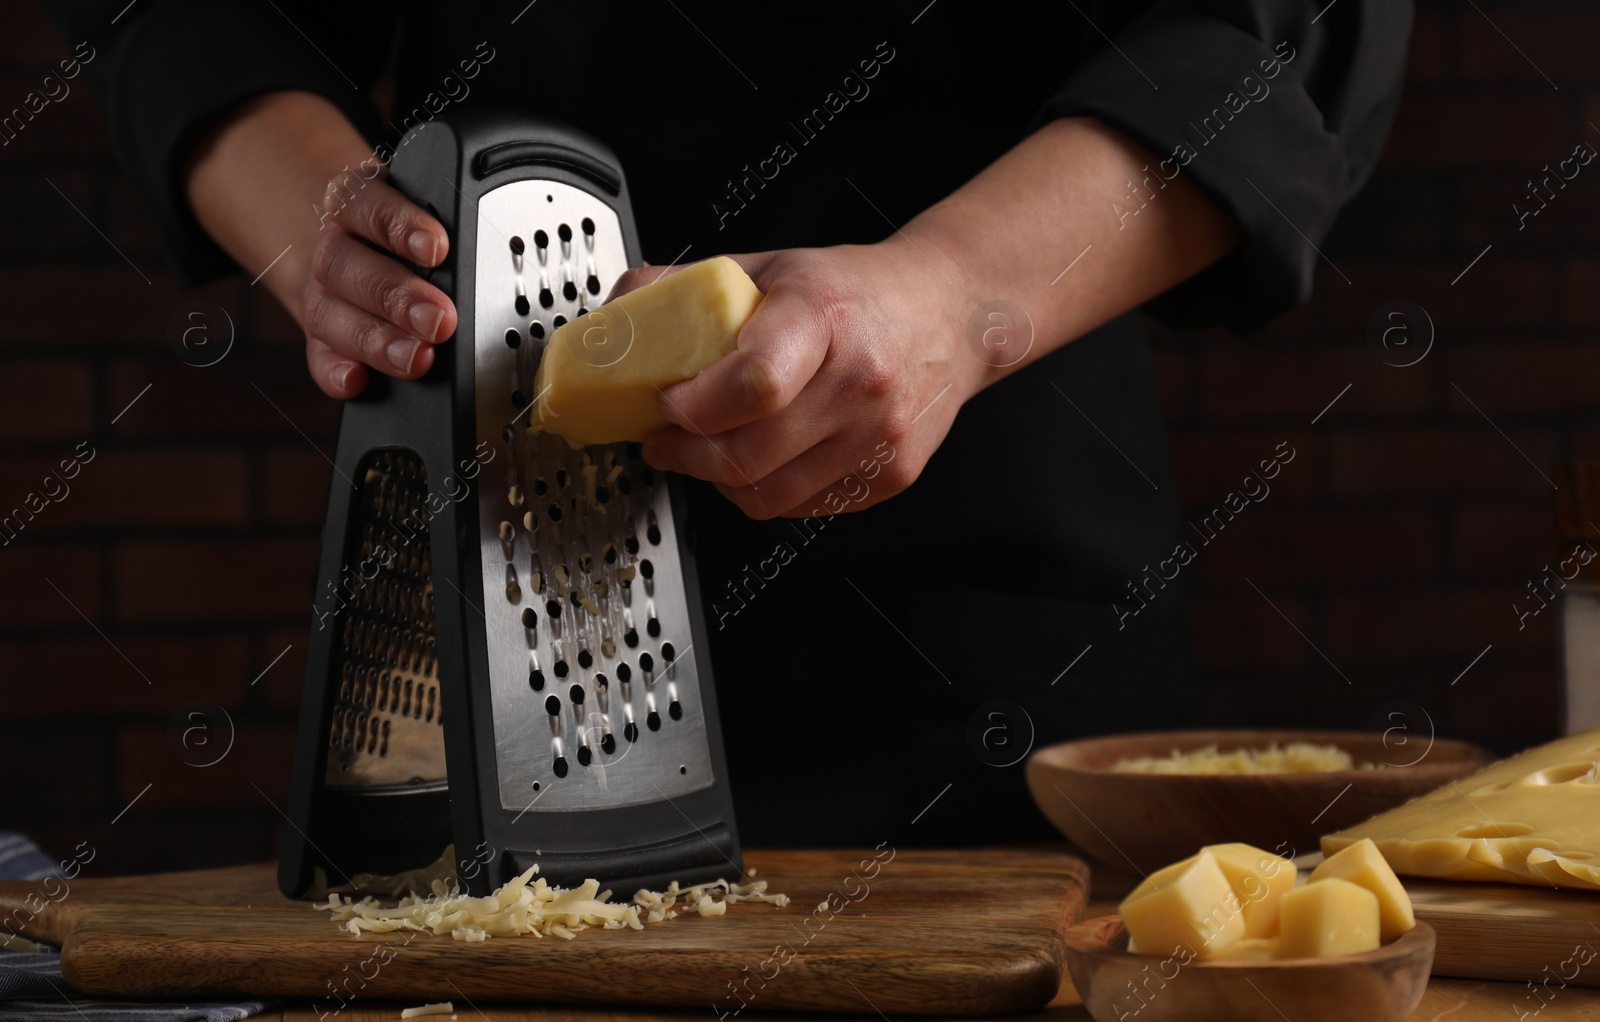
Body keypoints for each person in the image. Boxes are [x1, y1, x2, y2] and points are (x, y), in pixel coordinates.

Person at [46, 0, 1411, 847]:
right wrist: (322, 226)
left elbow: (1269, 31)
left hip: (983, 607)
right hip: (497, 526)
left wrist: (953, 300)